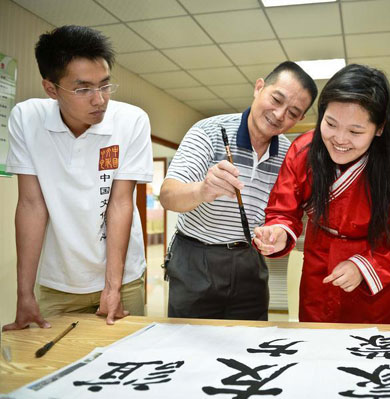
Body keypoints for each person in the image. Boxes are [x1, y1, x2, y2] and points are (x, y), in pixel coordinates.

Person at [254, 64, 390, 324]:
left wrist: (364, 266)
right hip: (320, 269)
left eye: (355, 131)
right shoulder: (303, 151)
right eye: (330, 123)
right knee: (319, 352)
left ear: (379, 128)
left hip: (377, 276)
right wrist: (277, 231)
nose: (339, 139)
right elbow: (283, 209)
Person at [3, 25, 153, 331]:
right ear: (50, 88)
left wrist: (112, 288)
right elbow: (31, 205)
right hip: (58, 282)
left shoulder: (131, 120)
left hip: (122, 280)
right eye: (83, 89)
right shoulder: (26, 119)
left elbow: (120, 204)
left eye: (105, 85)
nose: (99, 100)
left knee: (123, 362)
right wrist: (24, 292)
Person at [160, 61, 317, 321]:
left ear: (300, 119)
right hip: (196, 259)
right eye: (276, 99)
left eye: (292, 113)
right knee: (191, 349)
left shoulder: (290, 154)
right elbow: (168, 194)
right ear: (259, 88)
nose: (279, 115)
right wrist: (202, 190)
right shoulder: (208, 131)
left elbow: (287, 214)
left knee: (249, 344)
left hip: (249, 262)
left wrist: (274, 232)